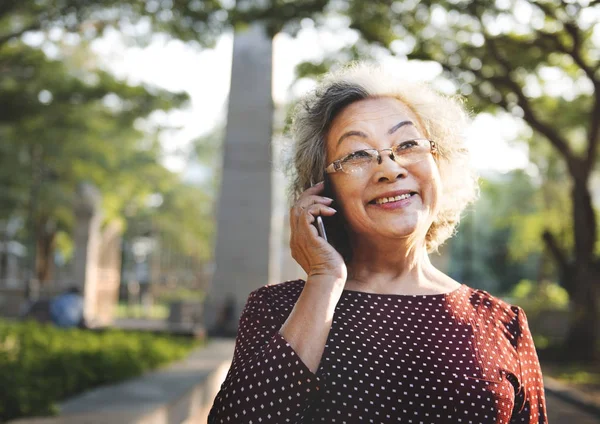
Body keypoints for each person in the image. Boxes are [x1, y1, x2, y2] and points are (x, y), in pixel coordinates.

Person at [208, 63, 547, 423]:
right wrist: (324, 280)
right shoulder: (276, 309)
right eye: (357, 154)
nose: (390, 168)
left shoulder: (503, 322)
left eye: (408, 144)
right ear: (322, 189)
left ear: (439, 164)